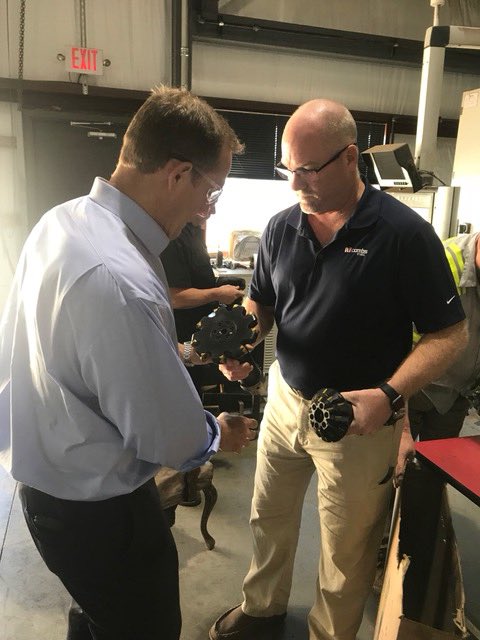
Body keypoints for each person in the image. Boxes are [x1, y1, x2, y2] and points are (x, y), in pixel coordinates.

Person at [0, 85, 258, 640]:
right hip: (100, 511)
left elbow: (75, 361)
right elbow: (167, 437)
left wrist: (185, 355)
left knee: (97, 615)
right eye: (211, 191)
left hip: (47, 491)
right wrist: (218, 432)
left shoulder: (61, 221)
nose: (207, 210)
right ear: (177, 174)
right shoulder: (119, 277)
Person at [208, 98, 468, 640]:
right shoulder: (281, 228)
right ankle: (262, 608)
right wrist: (245, 341)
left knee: (345, 548)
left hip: (359, 419)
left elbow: (450, 334)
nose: (294, 183)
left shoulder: (403, 235)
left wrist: (388, 395)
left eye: (307, 169)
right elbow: (262, 303)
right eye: (287, 168)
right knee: (268, 516)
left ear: (350, 157)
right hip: (286, 400)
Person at [161, 203, 244, 394]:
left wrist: (219, 285)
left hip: (199, 336)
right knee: (184, 396)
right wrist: (217, 293)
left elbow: (196, 278)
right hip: (181, 339)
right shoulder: (173, 237)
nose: (212, 210)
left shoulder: (194, 230)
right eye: (208, 201)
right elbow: (174, 297)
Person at [408, 231, 480, 441]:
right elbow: (397, 342)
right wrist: (397, 412)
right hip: (412, 388)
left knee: (440, 459)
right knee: (395, 457)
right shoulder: (443, 262)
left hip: (456, 394)